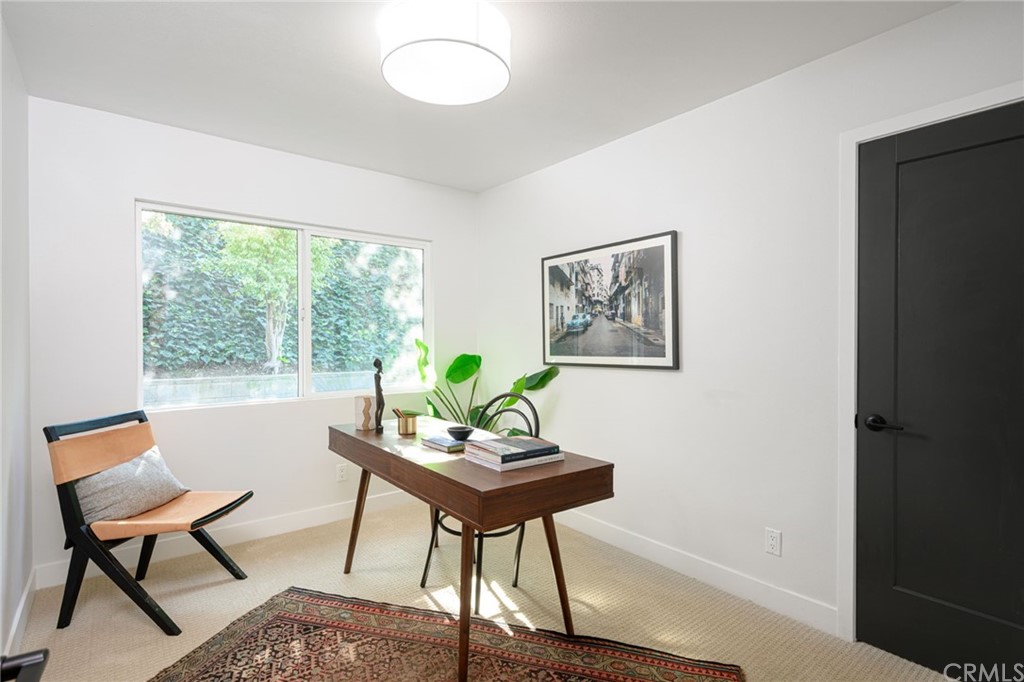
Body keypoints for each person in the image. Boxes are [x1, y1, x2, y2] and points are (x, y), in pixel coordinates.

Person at [373, 358, 385, 433]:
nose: (382, 367)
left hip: (378, 391)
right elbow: (377, 385)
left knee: (379, 407)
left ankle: (378, 423)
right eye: (380, 366)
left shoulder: (377, 374)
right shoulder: (376, 375)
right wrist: (380, 389)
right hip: (378, 392)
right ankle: (378, 424)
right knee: (381, 405)